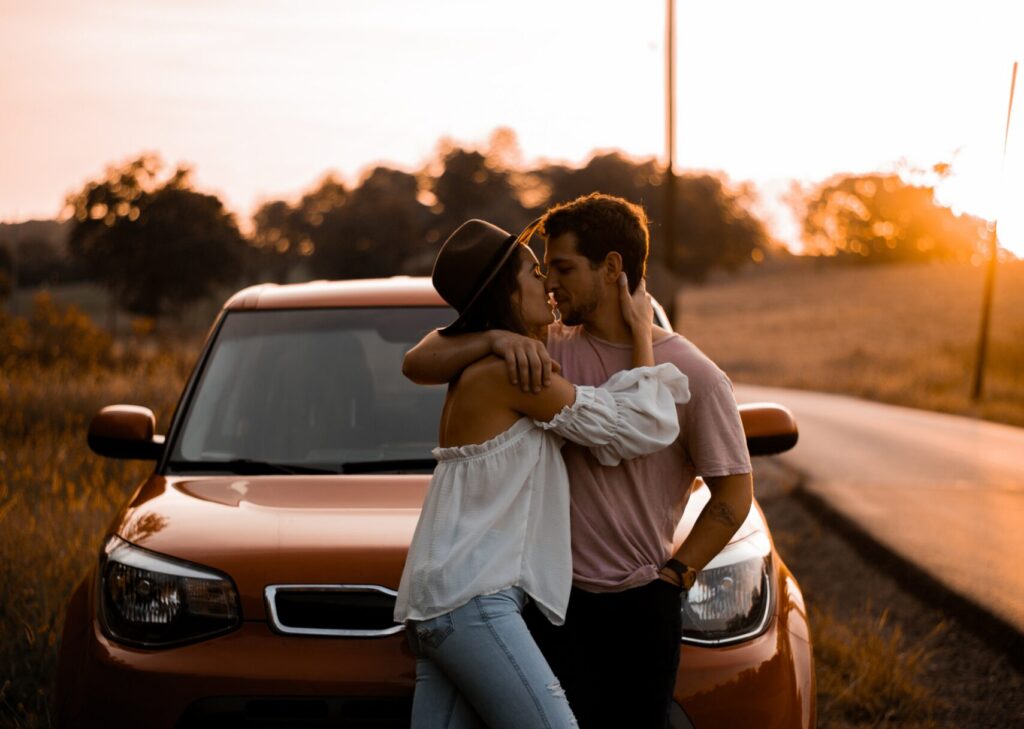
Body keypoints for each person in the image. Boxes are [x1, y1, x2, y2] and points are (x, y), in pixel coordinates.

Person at [402, 194, 754, 729]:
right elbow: (634, 424)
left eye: (560, 268)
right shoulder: (534, 355)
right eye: (540, 270)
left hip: (639, 600)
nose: (548, 283)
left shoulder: (696, 374)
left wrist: (675, 578)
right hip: (545, 604)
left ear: (611, 268)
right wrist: (495, 336)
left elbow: (734, 491)